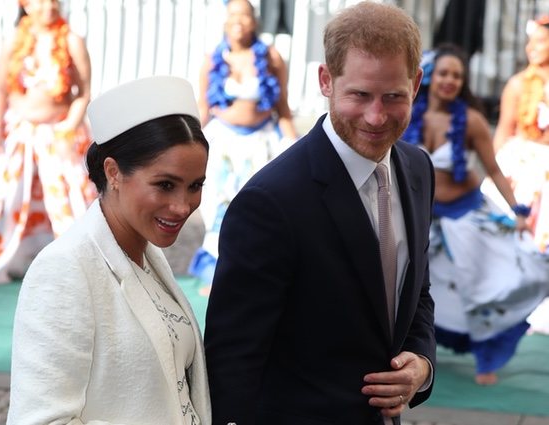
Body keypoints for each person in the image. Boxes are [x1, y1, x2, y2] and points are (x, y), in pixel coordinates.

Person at [204, 2, 435, 424]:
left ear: (416, 85)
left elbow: (416, 292)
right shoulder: (270, 201)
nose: (376, 116)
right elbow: (233, 360)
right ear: (326, 81)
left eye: (393, 96)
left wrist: (421, 363)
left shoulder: (417, 169)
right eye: (360, 95)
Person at [7, 75, 211, 424]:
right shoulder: (65, 268)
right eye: (165, 185)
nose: (182, 206)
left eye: (195, 186)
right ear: (113, 172)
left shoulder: (147, 256)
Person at [401, 44, 549, 385]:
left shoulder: (470, 120)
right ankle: (412, 353)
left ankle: (487, 361)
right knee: (414, 288)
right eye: (444, 73)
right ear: (429, 77)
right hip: (421, 218)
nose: (449, 81)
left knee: (482, 288)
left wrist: (519, 212)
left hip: (465, 216)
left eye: (457, 75)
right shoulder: (409, 113)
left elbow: (494, 171)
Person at [0, 0, 96, 286]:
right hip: (17, 130)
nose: (48, 7)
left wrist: (69, 127)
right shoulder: (15, 39)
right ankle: (0, 262)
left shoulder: (72, 40)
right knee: (5, 196)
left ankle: (76, 270)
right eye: (40, 1)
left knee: (70, 200)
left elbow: (83, 92)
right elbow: (0, 90)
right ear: (25, 5)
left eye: (53, 1)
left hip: (59, 129)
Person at [189, 0, 297, 288]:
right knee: (219, 209)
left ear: (255, 21)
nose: (239, 20)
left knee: (257, 208)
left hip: (260, 146)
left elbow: (283, 109)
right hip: (223, 145)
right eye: (233, 14)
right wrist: (184, 140)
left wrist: (295, 147)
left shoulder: (271, 58)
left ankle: (252, 274)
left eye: (245, 15)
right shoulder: (213, 60)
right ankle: (218, 272)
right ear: (225, 20)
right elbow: (204, 108)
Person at [492, 15, 549, 334]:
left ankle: (542, 309)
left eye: (540, 41)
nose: (532, 48)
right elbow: (503, 131)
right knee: (517, 233)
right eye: (531, 41)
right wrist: (498, 172)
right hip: (522, 165)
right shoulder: (517, 84)